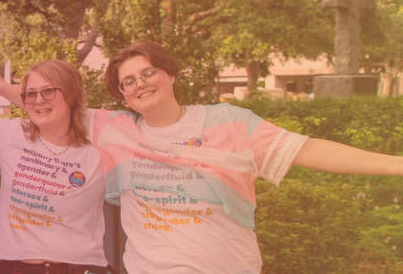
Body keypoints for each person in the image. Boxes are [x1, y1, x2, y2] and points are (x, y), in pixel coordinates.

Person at [86, 41, 403, 272]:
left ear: (170, 76)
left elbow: (309, 149)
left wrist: (397, 165)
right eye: (129, 81)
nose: (140, 83)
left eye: (149, 72)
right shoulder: (115, 131)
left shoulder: (229, 122)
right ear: (123, 96)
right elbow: (48, 110)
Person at [0, 61, 110, 274]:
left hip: (80, 268)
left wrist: (1, 87)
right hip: (17, 268)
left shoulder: (100, 141)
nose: (38, 100)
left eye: (49, 91)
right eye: (30, 94)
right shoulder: (12, 135)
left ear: (71, 93)